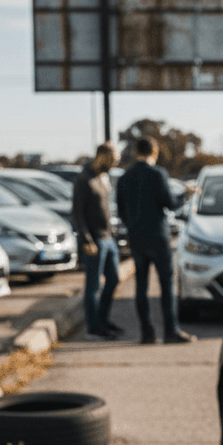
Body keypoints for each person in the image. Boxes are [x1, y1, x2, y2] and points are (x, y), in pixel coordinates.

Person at [116, 137, 195, 344]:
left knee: (141, 286)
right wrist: (186, 195)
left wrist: (132, 225)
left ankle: (147, 333)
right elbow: (170, 204)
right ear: (155, 152)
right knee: (166, 286)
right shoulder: (158, 174)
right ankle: (171, 331)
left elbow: (121, 210)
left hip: (137, 238)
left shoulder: (125, 177)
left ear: (135, 152)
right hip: (158, 238)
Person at [72, 142, 122, 339]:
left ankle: (103, 319)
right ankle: (93, 327)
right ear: (102, 156)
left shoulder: (104, 176)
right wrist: (86, 240)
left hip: (109, 238)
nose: (114, 165)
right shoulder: (83, 180)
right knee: (93, 285)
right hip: (94, 240)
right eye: (112, 160)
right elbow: (77, 214)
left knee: (113, 279)